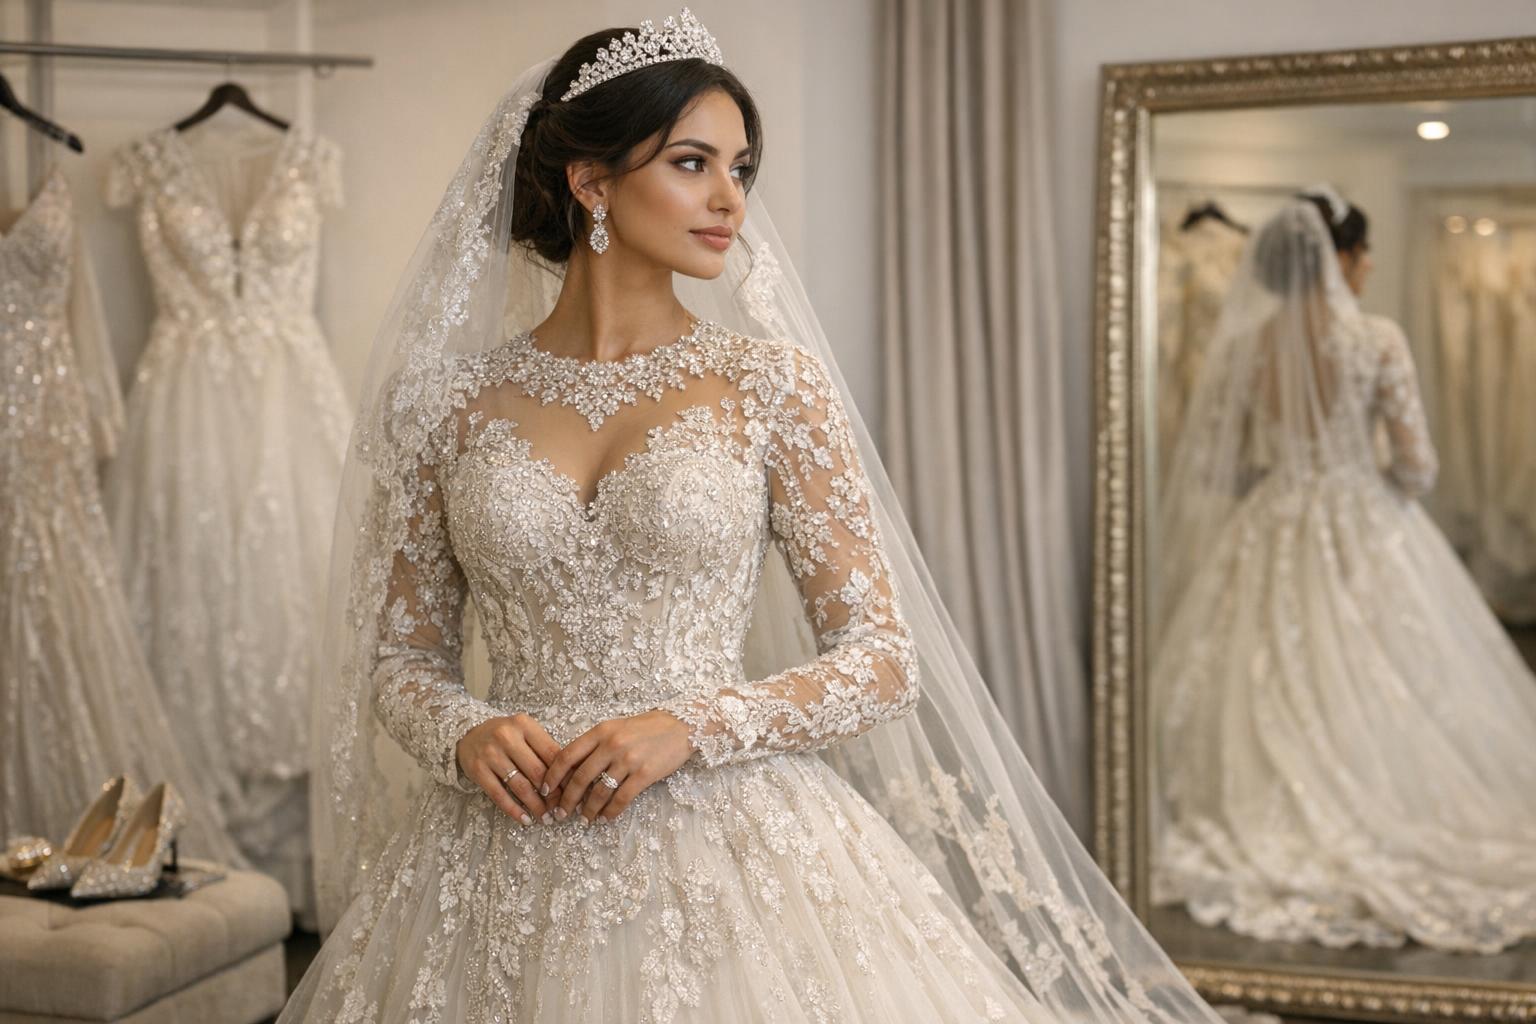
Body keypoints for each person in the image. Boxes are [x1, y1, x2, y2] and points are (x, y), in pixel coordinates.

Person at [284, 11, 1225, 1021]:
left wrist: (691, 725)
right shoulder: (447, 405)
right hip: (499, 848)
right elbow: (402, 658)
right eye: (692, 163)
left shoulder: (772, 386)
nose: (730, 198)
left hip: (722, 835)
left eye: (740, 169)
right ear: (591, 180)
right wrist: (465, 731)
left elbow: (881, 659)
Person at [1151, 189, 1536, 954]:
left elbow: (1220, 470)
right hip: (1365, 518)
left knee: (1269, 678)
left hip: (1272, 521)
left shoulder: (1249, 343)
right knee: (1389, 673)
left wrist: (1283, 474)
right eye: (1365, 255)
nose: (1369, 268)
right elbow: (1419, 466)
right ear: (1344, 258)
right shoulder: (1376, 338)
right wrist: (1369, 476)